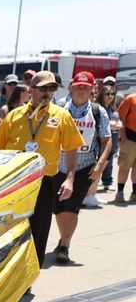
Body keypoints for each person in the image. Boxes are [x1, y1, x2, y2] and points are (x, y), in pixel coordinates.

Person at [0, 70, 85, 267]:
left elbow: (72, 148)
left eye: (51, 89)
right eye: (43, 88)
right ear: (30, 90)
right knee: (10, 229)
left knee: (38, 231)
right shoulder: (15, 115)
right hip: (13, 183)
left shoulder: (61, 116)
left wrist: (70, 179)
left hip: (43, 182)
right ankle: (7, 271)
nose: (48, 93)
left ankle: (28, 274)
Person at [49, 72, 110, 255]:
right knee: (60, 208)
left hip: (84, 166)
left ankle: (65, 245)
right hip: (58, 165)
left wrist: (100, 165)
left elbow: (106, 140)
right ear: (70, 87)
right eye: (77, 86)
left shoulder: (99, 111)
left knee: (72, 207)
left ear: (92, 89)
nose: (81, 91)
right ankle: (63, 238)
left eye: (85, 87)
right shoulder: (59, 107)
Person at [97, 84, 120, 193]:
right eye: (107, 94)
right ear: (102, 95)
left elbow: (118, 121)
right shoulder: (98, 108)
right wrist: (108, 125)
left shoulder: (112, 108)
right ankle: (91, 192)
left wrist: (119, 124)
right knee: (98, 165)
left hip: (113, 140)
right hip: (101, 142)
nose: (110, 96)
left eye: (112, 94)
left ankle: (107, 183)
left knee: (109, 164)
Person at [115, 88, 136, 204]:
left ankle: (135, 193)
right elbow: (120, 118)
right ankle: (120, 193)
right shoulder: (130, 99)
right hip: (129, 139)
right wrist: (123, 138)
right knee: (124, 167)